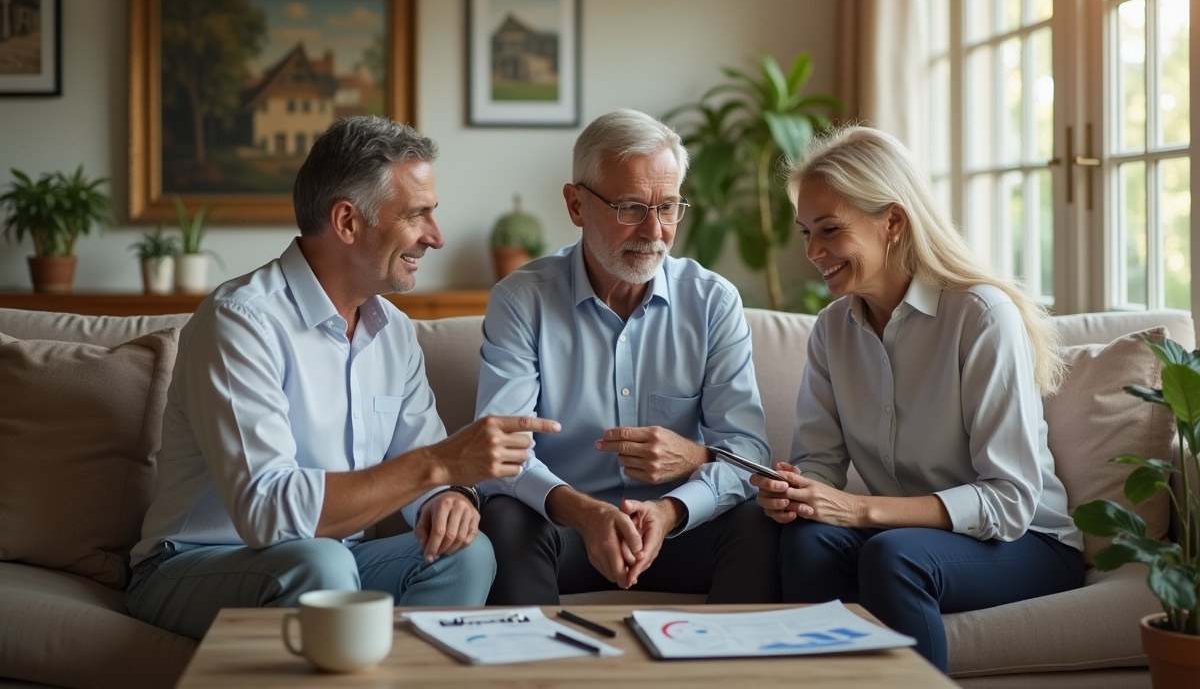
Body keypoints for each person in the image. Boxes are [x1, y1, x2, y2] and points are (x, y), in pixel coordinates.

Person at [127, 117, 560, 640]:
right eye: (418, 215)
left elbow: (424, 467)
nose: (436, 237)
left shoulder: (394, 332)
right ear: (348, 222)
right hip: (194, 563)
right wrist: (442, 463)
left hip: (337, 558)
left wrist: (452, 498)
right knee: (320, 566)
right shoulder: (241, 322)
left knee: (467, 554)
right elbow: (267, 512)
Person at [752, 125, 1085, 671]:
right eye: (806, 232)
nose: (812, 251)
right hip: (906, 537)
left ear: (894, 222)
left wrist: (861, 510)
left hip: (1027, 543)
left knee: (893, 555)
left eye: (830, 230)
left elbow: (1008, 500)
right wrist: (797, 492)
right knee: (806, 538)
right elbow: (820, 464)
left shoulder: (980, 316)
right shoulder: (832, 329)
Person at [476, 108, 779, 605]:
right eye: (631, 207)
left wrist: (672, 511)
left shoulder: (712, 301)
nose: (654, 231)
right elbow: (500, 454)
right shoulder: (521, 300)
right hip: (567, 529)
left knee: (757, 522)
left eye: (668, 208)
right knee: (506, 521)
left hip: (680, 528)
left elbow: (747, 450)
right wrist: (585, 513)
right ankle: (534, 676)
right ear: (576, 204)